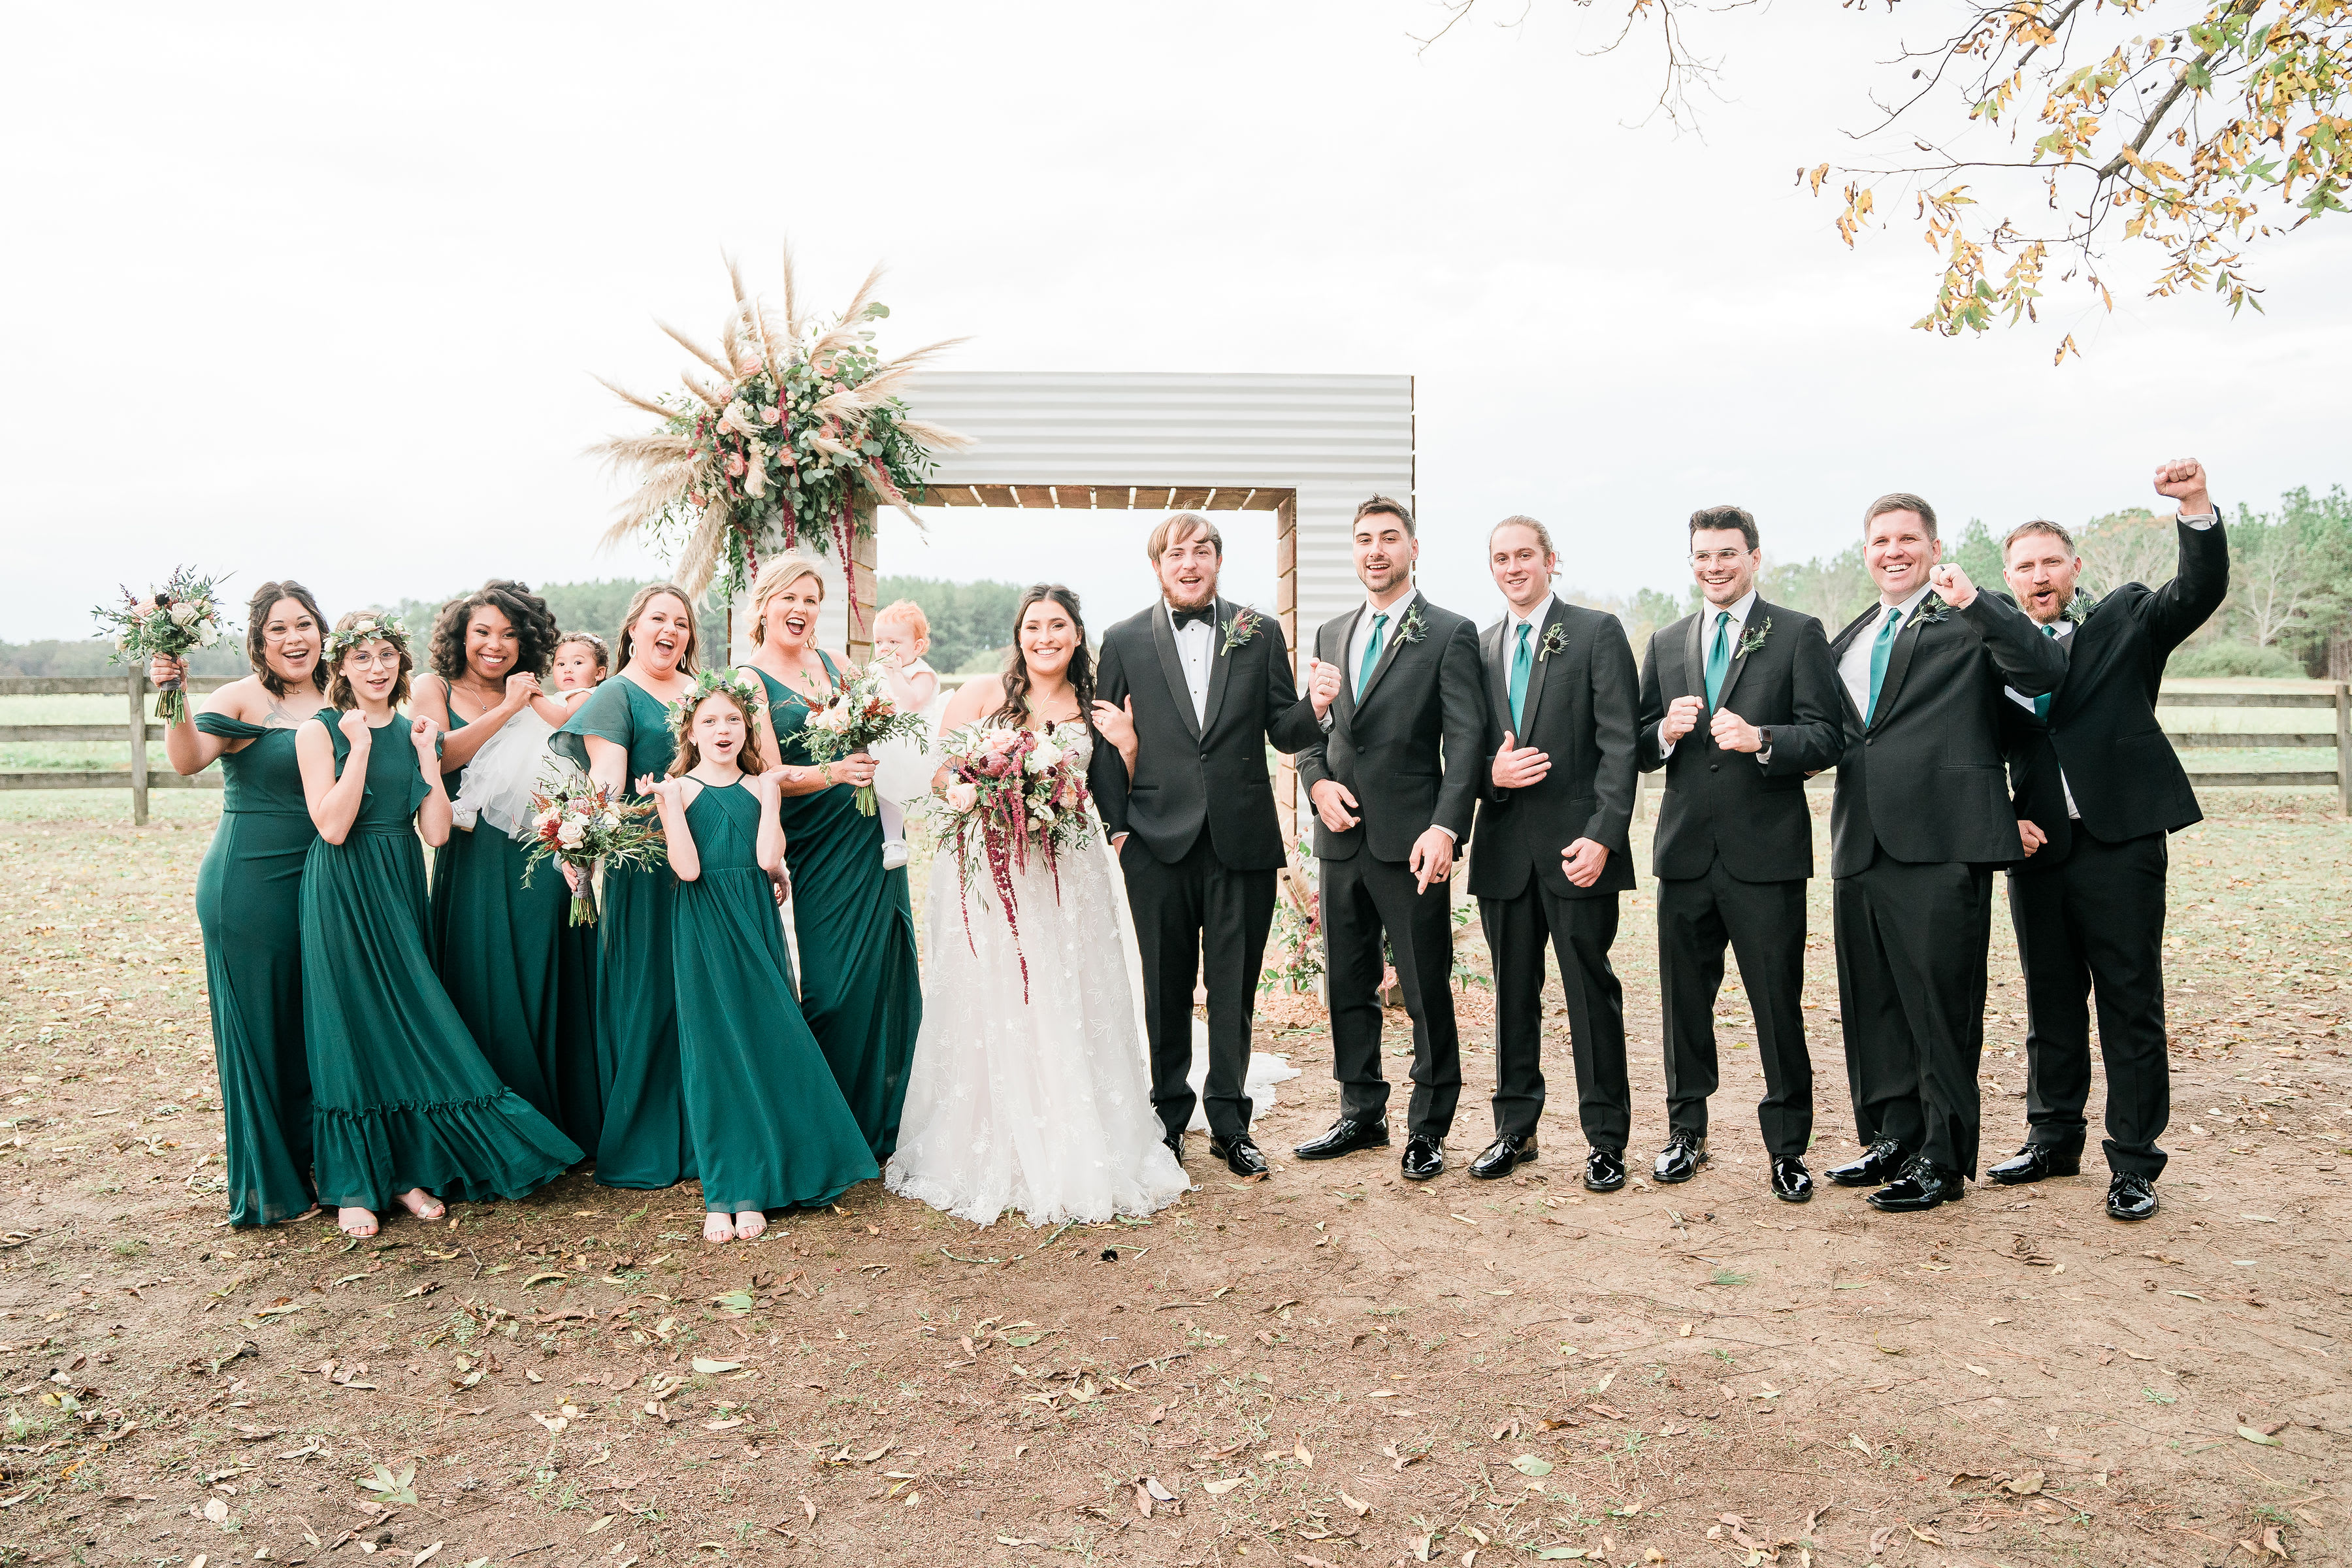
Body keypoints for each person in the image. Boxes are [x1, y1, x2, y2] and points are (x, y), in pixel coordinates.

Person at [887, 585, 1189, 1226]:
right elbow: (939, 775)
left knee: (1063, 992)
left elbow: (1115, 794)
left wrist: (1129, 747)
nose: (1044, 637)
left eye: (1058, 626)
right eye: (1033, 626)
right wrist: (984, 789)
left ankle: (1074, 1133)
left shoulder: (1095, 707)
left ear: (1078, 635)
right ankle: (992, 1133)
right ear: (1018, 635)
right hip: (989, 868)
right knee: (992, 993)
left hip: (1065, 873)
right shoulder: (980, 695)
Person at [1990, 459, 2227, 1222]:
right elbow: (1972, 749)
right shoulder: (1991, 648)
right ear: (2009, 579)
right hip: (2036, 848)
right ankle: (2052, 1139)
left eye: (2050, 561)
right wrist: (2000, 819)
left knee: (2130, 1004)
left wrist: (2195, 507)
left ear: (2075, 567)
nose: (2039, 576)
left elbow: (2198, 591)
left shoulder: (2126, 621)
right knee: (2051, 1002)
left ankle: (2133, 1162)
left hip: (2121, 842)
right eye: (2025, 567)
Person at [294, 612, 581, 1237]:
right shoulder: (320, 732)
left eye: (386, 655)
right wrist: (360, 748)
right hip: (342, 889)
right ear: (341, 666)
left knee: (404, 1025)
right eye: (362, 657)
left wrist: (426, 756)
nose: (377, 668)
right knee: (349, 1024)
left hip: (401, 884)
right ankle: (354, 1183)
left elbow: (437, 832)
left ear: (401, 662)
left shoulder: (414, 732)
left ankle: (406, 1172)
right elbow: (333, 827)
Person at [1821, 495, 2068, 1213]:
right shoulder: (1852, 634)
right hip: (1860, 839)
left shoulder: (1969, 616)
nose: (1893, 551)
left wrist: (1978, 603)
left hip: (1942, 840)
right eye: (1880, 540)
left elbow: (2042, 672)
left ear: (1934, 549)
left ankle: (1943, 1158)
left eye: (1908, 539)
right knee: (1874, 1004)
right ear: (1866, 552)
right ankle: (1893, 1138)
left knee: (1940, 1009)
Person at [1093, 514, 1318, 1179]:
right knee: (1165, 989)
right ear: (1157, 566)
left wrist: (1318, 704)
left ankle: (1229, 1122)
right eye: (1175, 554)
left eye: (1201, 551)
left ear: (1218, 560)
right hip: (1153, 842)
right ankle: (1167, 1120)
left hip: (1240, 840)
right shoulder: (1123, 639)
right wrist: (1118, 830)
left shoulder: (1260, 631)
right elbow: (1105, 745)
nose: (1188, 563)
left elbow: (1284, 730)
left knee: (1233, 988)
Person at [1635, 507, 1846, 1201]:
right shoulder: (1667, 641)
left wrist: (1764, 740)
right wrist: (1663, 734)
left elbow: (1829, 735)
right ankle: (1685, 1134)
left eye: (1727, 553)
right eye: (1703, 555)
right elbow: (1637, 744)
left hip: (1767, 857)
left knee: (1777, 1007)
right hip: (1685, 856)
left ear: (1754, 557)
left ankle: (1788, 1149)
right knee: (1683, 1007)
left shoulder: (1797, 632)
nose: (1714, 566)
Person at [1279, 496, 1485, 1182]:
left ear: (1413, 549)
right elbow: (1311, 734)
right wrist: (1316, 785)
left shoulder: (1450, 633)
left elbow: (1466, 742)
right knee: (1346, 982)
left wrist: (1445, 827)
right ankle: (1361, 1112)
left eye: (1389, 538)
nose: (1376, 551)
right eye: (1365, 539)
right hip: (1340, 838)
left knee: (1426, 988)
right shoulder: (1330, 632)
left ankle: (1429, 1127)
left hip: (1414, 842)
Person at [644, 670, 879, 1243]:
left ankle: (770, 1176)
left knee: (771, 1036)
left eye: (733, 719)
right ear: (690, 731)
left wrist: (771, 796)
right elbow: (687, 870)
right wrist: (669, 806)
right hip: (704, 928)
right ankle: (725, 1192)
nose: (722, 730)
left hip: (755, 923)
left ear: (747, 727)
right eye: (709, 721)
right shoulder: (680, 791)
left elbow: (770, 858)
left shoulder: (758, 786)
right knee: (714, 1050)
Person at [1465, 515, 1642, 1188]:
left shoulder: (1596, 633)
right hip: (1504, 852)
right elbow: (1462, 749)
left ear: (1550, 560)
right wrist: (1489, 776)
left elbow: (1621, 743)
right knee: (1513, 996)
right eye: (1501, 558)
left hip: (1579, 851)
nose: (1513, 568)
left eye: (1524, 556)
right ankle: (1515, 1130)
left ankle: (1606, 1140)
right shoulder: (1478, 648)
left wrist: (1603, 835)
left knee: (1591, 994)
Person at [154, 580, 335, 1228]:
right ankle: (275, 1182)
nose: (295, 638)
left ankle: (329, 1162)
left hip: (327, 885)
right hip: (251, 887)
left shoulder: (341, 695)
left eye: (304, 624)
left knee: (319, 1025)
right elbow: (186, 761)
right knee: (264, 1029)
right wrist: (172, 693)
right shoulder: (240, 698)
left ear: (322, 631)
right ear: (259, 640)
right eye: (278, 628)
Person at [739, 557, 924, 1162]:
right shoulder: (749, 681)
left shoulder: (838, 664)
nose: (800, 610)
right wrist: (834, 772)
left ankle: (888, 1119)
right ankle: (821, 1126)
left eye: (811, 600)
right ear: (764, 605)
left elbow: (882, 731)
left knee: (886, 973)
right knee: (833, 989)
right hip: (818, 843)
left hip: (873, 835)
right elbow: (769, 774)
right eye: (788, 598)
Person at [414, 581, 600, 1149]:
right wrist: (508, 708)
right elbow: (440, 755)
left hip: (542, 854)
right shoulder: (433, 687)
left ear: (528, 643)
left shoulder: (542, 695)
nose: (495, 645)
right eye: (482, 632)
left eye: (510, 635)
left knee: (546, 976)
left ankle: (560, 1121)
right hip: (472, 857)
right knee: (483, 982)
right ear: (460, 635)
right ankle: (496, 1126)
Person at [553, 584, 702, 1190]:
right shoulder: (615, 695)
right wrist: (581, 841)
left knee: (705, 986)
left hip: (713, 856)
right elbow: (607, 780)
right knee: (653, 988)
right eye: (658, 619)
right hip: (646, 864)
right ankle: (652, 1130)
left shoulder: (704, 690)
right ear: (633, 629)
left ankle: (710, 1119)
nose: (670, 630)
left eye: (681, 622)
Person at [867, 599, 945, 872]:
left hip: (914, 740)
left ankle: (901, 841)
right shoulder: (876, 671)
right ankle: (891, 840)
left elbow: (911, 704)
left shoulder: (921, 673)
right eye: (879, 642)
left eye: (894, 642)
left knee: (893, 784)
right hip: (882, 737)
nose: (884, 648)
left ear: (917, 647)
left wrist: (895, 675)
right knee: (884, 787)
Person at [549, 631, 610, 710]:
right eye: (561, 664)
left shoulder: (586, 695)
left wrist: (536, 697)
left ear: (598, 673)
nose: (567, 670)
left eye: (578, 663)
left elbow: (563, 716)